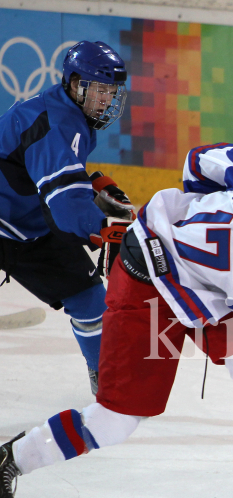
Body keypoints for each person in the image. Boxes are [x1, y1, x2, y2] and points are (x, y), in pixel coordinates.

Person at [0, 143, 233, 498]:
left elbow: (197, 159)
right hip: (148, 287)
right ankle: (14, 457)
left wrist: (214, 214)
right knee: (115, 420)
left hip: (170, 260)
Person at [0, 40, 134, 394]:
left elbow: (53, 177)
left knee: (90, 300)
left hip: (25, 222)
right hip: (10, 222)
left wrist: (94, 188)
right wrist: (104, 227)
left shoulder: (67, 113)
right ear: (75, 83)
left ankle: (106, 381)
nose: (107, 99)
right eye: (100, 89)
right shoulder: (56, 124)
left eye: (112, 91)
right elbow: (66, 209)